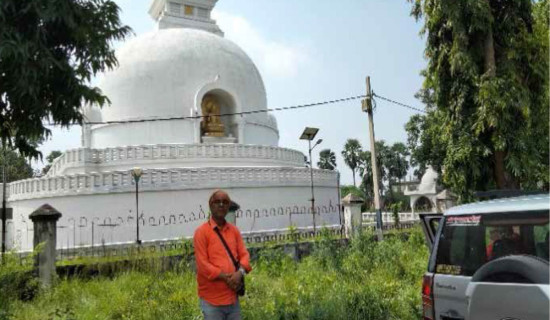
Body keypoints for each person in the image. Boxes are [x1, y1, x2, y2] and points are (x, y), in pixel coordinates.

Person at [193, 190, 251, 320]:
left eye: (225, 202)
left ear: (228, 206)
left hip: (232, 299)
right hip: (212, 302)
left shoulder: (234, 231)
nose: (221, 205)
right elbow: (203, 265)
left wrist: (239, 273)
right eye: (217, 202)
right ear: (210, 205)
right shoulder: (201, 232)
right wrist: (226, 278)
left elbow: (245, 255)